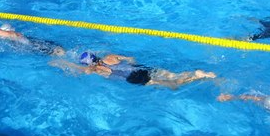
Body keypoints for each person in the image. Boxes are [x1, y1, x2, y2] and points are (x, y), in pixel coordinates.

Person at [50, 51, 216, 89]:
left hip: (134, 78)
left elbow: (81, 70)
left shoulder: (96, 69)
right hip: (141, 69)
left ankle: (197, 76)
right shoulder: (110, 56)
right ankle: (198, 73)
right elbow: (131, 59)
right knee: (173, 75)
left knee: (174, 84)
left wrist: (61, 63)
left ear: (90, 63)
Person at [0, 25, 65, 56]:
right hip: (44, 47)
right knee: (55, 61)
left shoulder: (14, 35)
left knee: (61, 58)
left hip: (47, 47)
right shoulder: (14, 38)